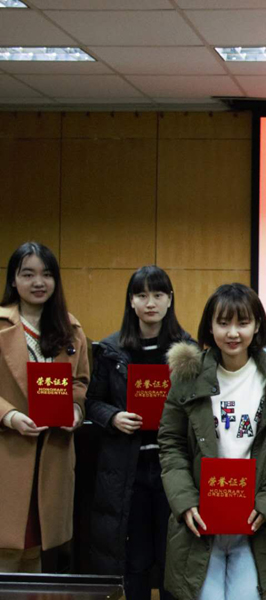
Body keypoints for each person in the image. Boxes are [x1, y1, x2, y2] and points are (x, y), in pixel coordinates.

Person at [158, 283, 266, 600]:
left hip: (257, 524)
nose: (233, 333)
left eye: (242, 322)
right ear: (210, 326)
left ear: (257, 326)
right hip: (201, 521)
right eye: (223, 323)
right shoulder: (188, 377)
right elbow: (171, 444)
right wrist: (185, 501)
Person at [85, 266, 191, 599]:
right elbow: (91, 402)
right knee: (135, 559)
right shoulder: (110, 349)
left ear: (170, 299)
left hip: (173, 468)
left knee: (173, 557)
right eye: (142, 295)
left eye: (158, 294)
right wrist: (113, 417)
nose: (150, 303)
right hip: (126, 468)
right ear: (131, 301)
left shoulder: (187, 350)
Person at [0, 241, 89, 573]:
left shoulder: (71, 329)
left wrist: (76, 410)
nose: (39, 282)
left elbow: (80, 383)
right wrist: (9, 416)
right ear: (13, 280)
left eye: (47, 274)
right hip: (9, 451)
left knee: (35, 553)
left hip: (52, 455)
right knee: (7, 550)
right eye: (28, 274)